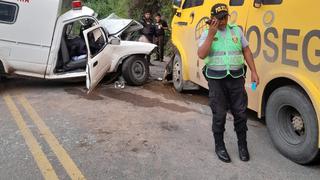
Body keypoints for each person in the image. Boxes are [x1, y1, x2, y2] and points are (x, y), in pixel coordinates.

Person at [198, 3, 260, 163]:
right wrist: (211, 34)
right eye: (219, 18)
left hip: (236, 78)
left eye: (225, 17)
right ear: (212, 19)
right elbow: (201, 55)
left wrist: (253, 71)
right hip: (216, 81)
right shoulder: (206, 33)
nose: (223, 21)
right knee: (219, 114)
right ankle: (219, 146)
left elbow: (246, 50)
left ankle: (242, 146)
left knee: (240, 113)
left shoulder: (236, 30)